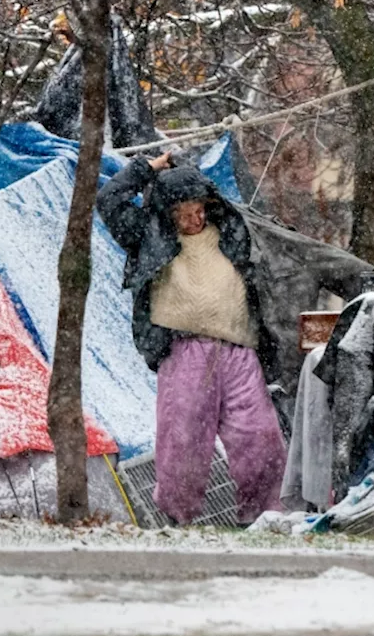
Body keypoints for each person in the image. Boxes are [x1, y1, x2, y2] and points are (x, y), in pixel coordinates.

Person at [97, 150, 286, 525]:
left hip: (239, 350)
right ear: (167, 213)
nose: (193, 219)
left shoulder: (232, 231)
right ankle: (178, 520)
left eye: (198, 209)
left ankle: (265, 517)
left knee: (261, 439)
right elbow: (109, 200)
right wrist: (144, 169)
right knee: (183, 443)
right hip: (185, 350)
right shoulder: (149, 236)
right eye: (183, 213)